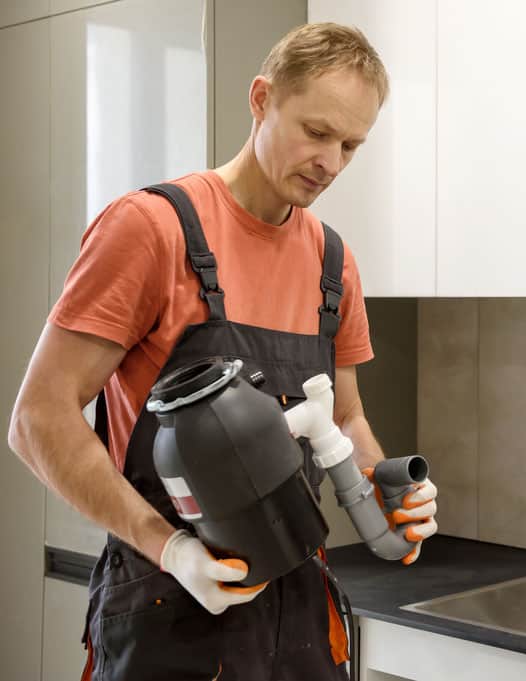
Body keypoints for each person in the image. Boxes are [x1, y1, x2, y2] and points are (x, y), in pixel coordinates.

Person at [7, 22, 438, 681]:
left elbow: (345, 419)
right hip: (165, 612)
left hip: (299, 622)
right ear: (261, 98)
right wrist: (173, 549)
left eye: (351, 144)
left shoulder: (333, 262)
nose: (332, 162)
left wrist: (387, 492)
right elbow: (38, 419)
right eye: (317, 132)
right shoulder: (152, 229)